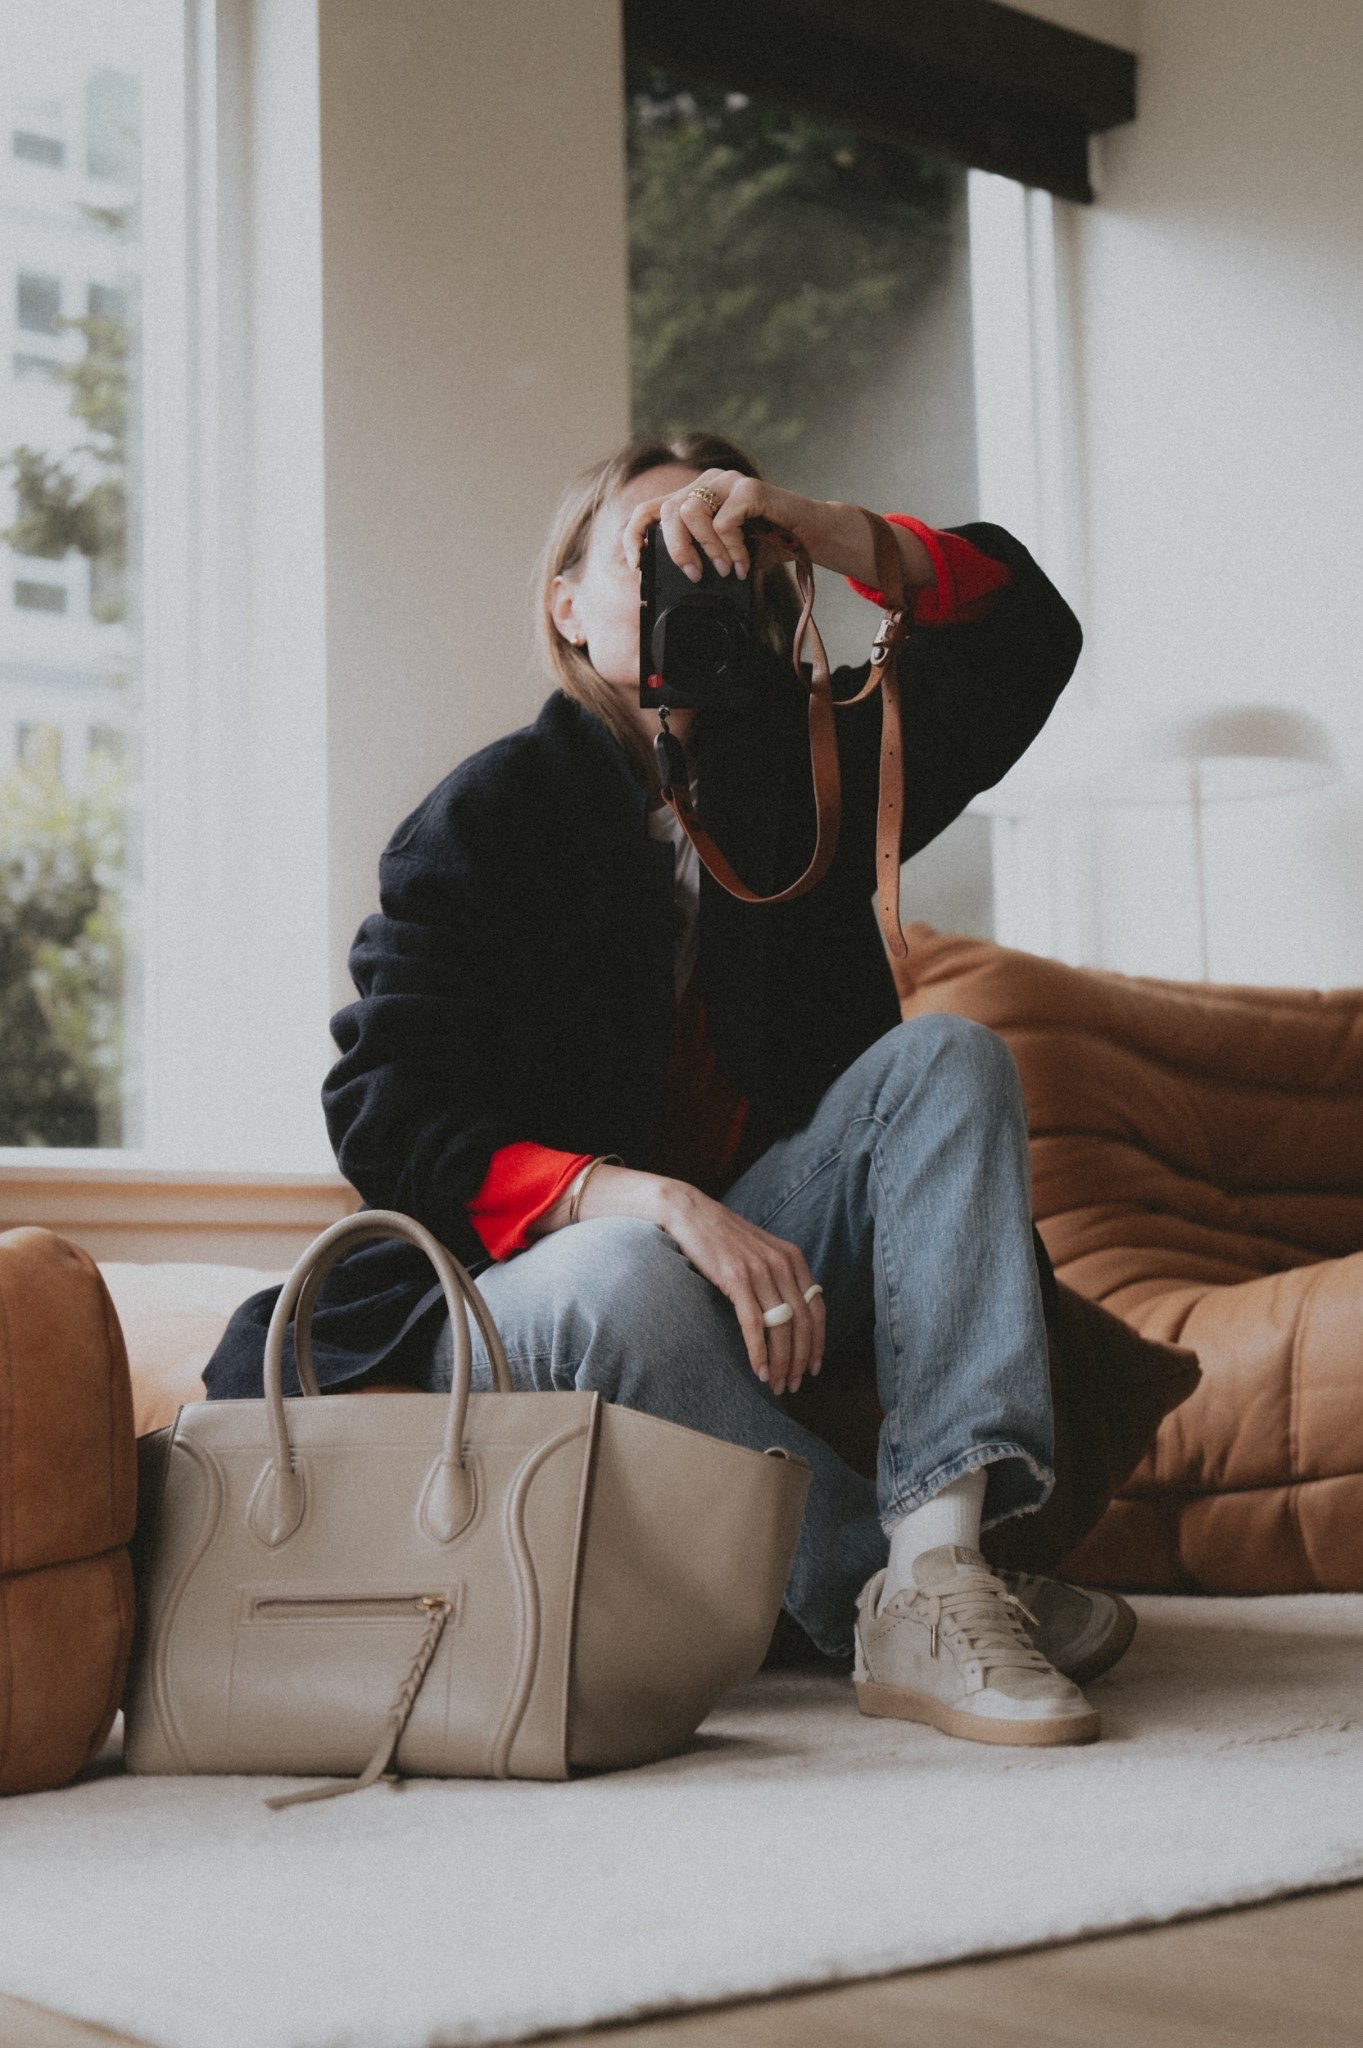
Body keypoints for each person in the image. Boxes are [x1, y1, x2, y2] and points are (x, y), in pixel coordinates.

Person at [206, 431, 1131, 1748]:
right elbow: (382, 1110)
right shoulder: (488, 817)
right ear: (566, 607)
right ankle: (896, 1581)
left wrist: (819, 529)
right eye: (648, 558)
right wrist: (634, 1198)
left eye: (719, 558)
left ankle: (937, 1567)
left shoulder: (807, 769)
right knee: (633, 1268)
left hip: (759, 1243)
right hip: (531, 1284)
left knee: (954, 1055)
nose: (684, 582)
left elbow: (1029, 632)